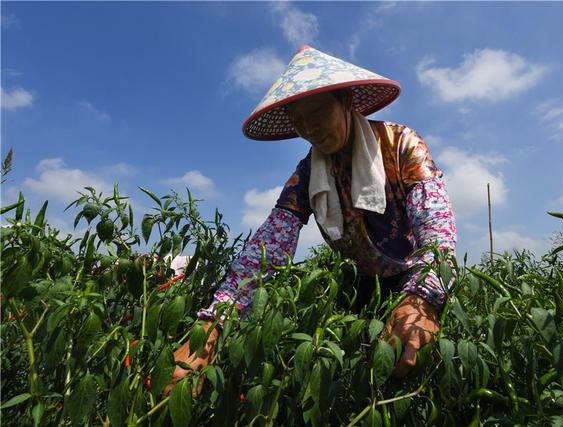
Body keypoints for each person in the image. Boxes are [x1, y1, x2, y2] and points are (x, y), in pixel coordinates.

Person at [165, 45, 457, 394]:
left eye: (318, 112)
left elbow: (437, 228)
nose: (310, 129)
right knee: (355, 378)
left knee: (419, 377)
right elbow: (268, 248)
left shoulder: (400, 144)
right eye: (299, 121)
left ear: (347, 102)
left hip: (415, 279)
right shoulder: (308, 174)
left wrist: (423, 298)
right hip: (360, 283)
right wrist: (214, 324)